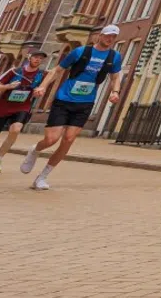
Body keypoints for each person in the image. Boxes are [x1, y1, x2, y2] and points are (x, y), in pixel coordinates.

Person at [19, 24, 124, 189]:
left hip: (86, 102)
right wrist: (43, 86)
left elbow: (115, 77)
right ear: (100, 36)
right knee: (51, 139)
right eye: (107, 35)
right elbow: (57, 70)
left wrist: (115, 91)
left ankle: (42, 177)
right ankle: (35, 150)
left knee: (68, 139)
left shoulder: (114, 57)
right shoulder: (80, 52)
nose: (109, 39)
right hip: (65, 99)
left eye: (113, 37)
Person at [0, 51, 49, 173]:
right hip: (4, 106)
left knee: (15, 130)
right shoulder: (15, 71)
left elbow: (47, 83)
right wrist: (8, 86)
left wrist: (40, 90)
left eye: (40, 58)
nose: (38, 60)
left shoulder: (42, 75)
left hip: (23, 106)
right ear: (29, 57)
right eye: (35, 57)